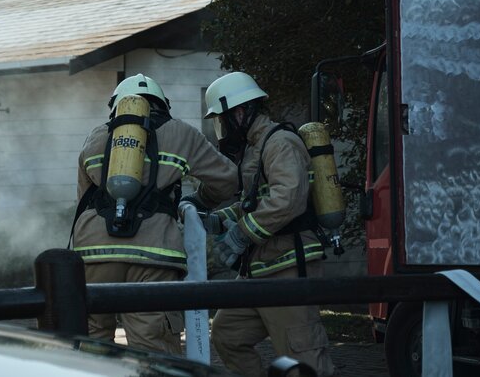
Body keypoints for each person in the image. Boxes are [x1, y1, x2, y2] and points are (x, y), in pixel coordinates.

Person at [71, 73, 238, 355]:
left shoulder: (96, 136)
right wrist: (199, 201)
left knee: (92, 343)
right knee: (153, 345)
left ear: (115, 106)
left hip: (94, 252)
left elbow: (82, 199)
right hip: (154, 253)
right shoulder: (181, 133)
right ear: (163, 104)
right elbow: (228, 180)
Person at [203, 72, 336, 377]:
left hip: (288, 267)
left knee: (303, 356)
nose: (221, 130)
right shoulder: (257, 147)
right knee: (227, 336)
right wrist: (224, 218)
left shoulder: (281, 142)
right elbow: (256, 200)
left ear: (239, 113)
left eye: (221, 120)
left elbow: (287, 198)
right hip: (260, 270)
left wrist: (241, 234)